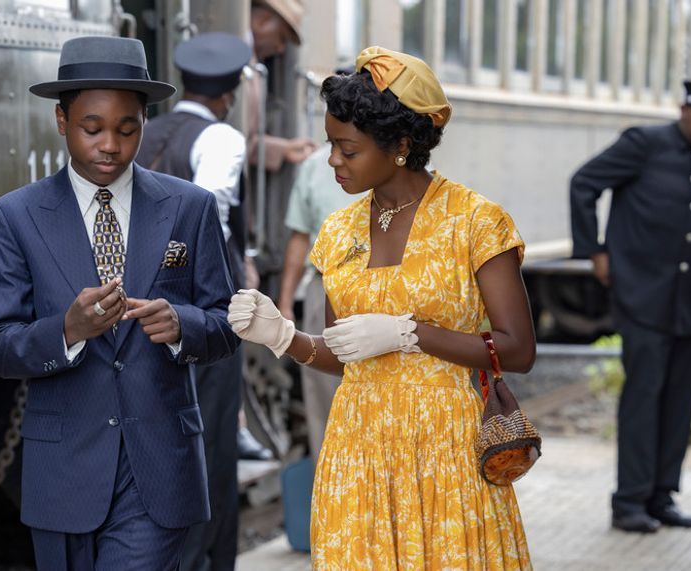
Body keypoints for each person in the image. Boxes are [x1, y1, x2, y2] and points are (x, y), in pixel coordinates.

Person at [228, 47, 535, 568]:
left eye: (348, 149)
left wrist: (409, 334)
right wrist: (284, 337)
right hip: (357, 445)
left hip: (444, 446)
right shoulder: (339, 229)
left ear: (400, 145)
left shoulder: (474, 221)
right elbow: (343, 354)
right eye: (331, 145)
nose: (333, 160)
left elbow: (518, 349)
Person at [0, 36, 239, 570]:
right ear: (60, 120)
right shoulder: (15, 217)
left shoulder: (190, 207)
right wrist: (67, 331)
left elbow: (226, 324)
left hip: (159, 472)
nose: (110, 146)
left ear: (144, 122)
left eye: (127, 129)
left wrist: (184, 325)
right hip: (63, 473)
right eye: (91, 128)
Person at [570, 80, 691, 533]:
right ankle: (629, 503)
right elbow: (584, 183)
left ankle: (663, 497)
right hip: (643, 296)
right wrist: (595, 251)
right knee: (643, 398)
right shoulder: (644, 145)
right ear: (683, 109)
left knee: (679, 401)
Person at [135, 32, 250, 571]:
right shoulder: (222, 138)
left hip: (134, 311)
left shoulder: (144, 129)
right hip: (199, 313)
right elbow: (211, 216)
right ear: (228, 92)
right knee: (209, 443)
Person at [277, 141, 366, 458]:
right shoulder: (314, 165)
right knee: (322, 395)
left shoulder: (392, 161)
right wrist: (286, 302)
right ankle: (329, 486)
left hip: (378, 288)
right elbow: (300, 236)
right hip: (322, 286)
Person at [246, 0, 318, 171]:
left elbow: (240, 139)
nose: (280, 49)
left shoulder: (251, 61)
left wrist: (282, 149)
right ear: (262, 21)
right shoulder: (237, 58)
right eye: (282, 37)